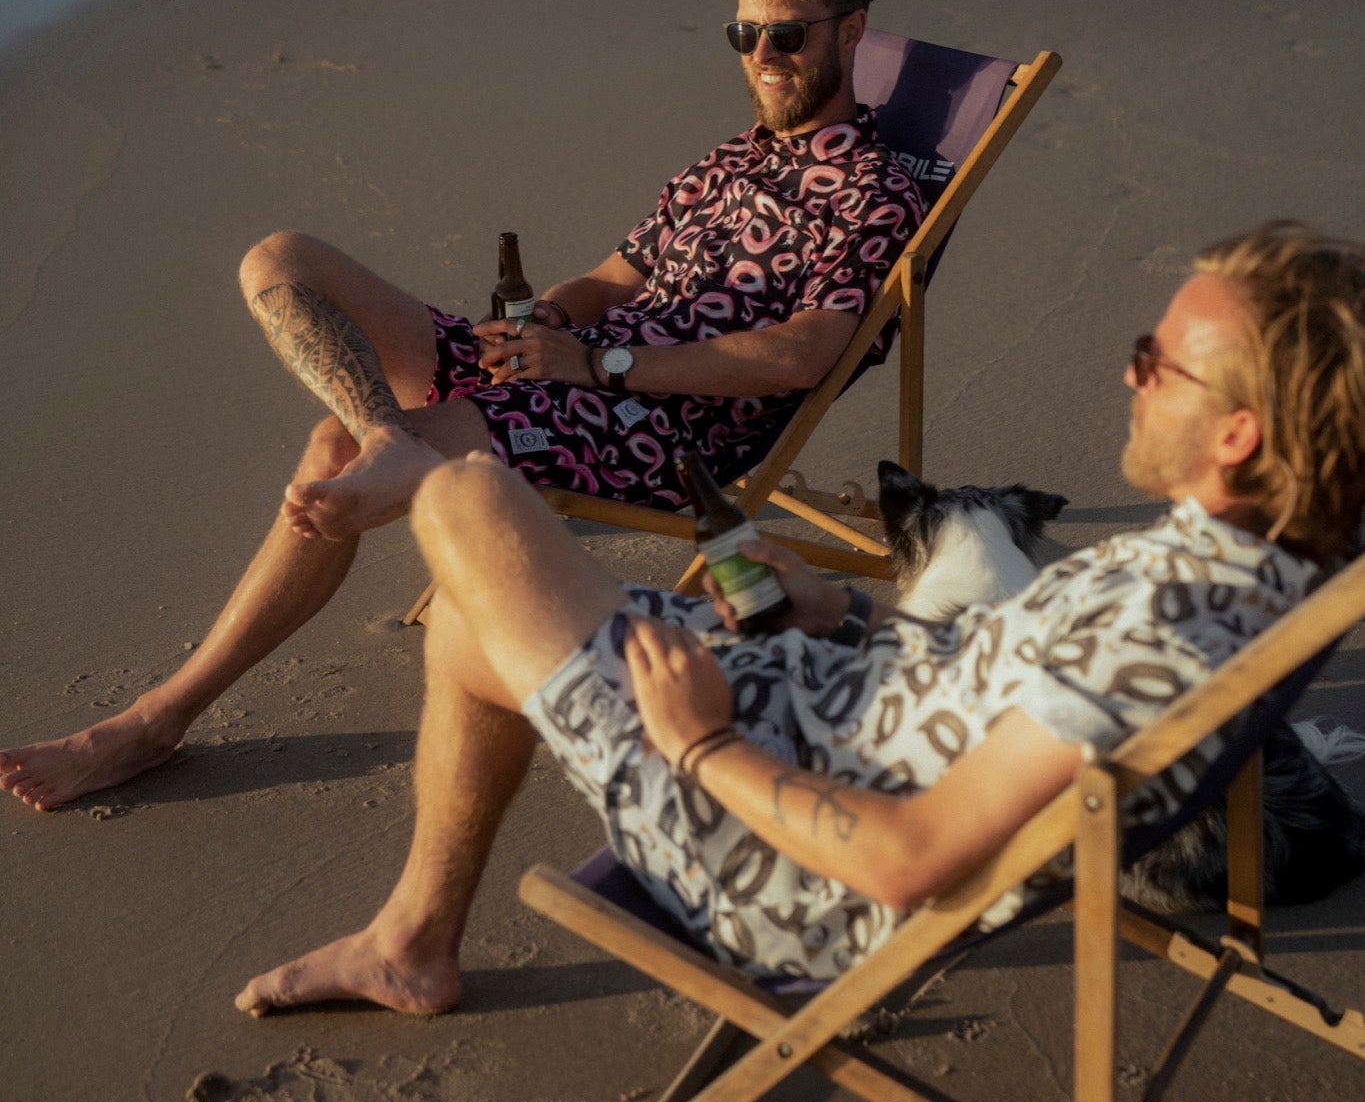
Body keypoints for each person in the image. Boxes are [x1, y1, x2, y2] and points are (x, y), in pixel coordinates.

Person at [233, 221, 1365, 1015]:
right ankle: (412, 946)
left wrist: (704, 741)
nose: (1131, 378)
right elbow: (994, 689)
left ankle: (396, 460)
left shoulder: (1166, 627)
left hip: (776, 868)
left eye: (1157, 364)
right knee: (472, 627)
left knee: (466, 497)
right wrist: (846, 614)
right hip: (828, 709)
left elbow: (907, 861)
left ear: (1239, 438)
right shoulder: (1244, 566)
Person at [2, 0, 925, 812]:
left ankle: (156, 719)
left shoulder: (872, 190)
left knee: (331, 454)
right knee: (281, 260)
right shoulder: (726, 162)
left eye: (788, 34)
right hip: (570, 371)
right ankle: (387, 438)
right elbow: (613, 277)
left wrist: (595, 363)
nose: (763, 54)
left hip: (658, 428)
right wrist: (551, 321)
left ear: (850, 32)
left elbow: (800, 357)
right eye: (745, 32)